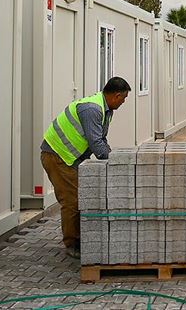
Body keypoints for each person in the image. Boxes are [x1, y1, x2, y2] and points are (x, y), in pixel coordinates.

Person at [41, 77, 131, 258]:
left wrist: (112, 157)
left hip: (71, 157)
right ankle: (72, 243)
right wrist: (117, 164)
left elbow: (101, 140)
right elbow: (97, 144)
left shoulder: (106, 110)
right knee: (72, 200)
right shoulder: (92, 109)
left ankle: (82, 238)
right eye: (124, 99)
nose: (123, 102)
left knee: (81, 196)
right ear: (116, 95)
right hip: (58, 156)